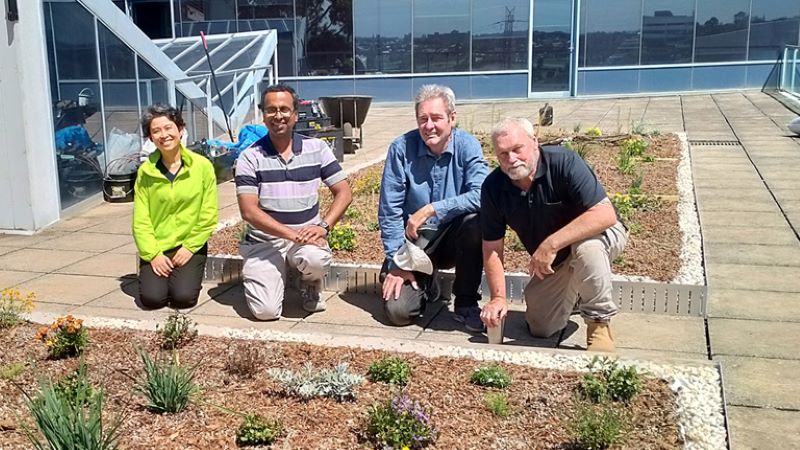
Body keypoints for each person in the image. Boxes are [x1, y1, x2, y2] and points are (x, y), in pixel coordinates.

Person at [479, 117, 628, 352]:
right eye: (503, 154)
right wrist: (498, 297)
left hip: (601, 235)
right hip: (556, 259)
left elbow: (605, 215)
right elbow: (492, 248)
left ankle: (599, 325)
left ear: (534, 142)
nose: (511, 159)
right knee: (541, 328)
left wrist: (551, 243)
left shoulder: (564, 162)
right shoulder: (493, 187)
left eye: (517, 149)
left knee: (586, 248)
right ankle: (577, 294)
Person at [235, 84, 352, 320]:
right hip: (265, 242)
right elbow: (248, 212)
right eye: (271, 110)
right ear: (263, 115)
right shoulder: (250, 157)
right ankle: (273, 273)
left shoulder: (317, 148)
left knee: (315, 258)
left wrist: (323, 227)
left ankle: (310, 282)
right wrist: (290, 235)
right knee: (265, 313)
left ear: (295, 114)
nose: (278, 115)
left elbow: (344, 193)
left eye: (284, 109)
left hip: (307, 239)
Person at [379, 84, 489, 331]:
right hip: (413, 245)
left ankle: (466, 302)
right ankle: (425, 282)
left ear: (452, 118)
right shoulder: (401, 149)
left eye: (437, 118)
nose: (429, 126)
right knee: (399, 312)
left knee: (476, 221)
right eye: (423, 119)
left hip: (454, 240)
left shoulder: (467, 146)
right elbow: (389, 211)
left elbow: (483, 195)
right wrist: (397, 264)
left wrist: (432, 209)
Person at [133, 104, 219, 309]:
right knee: (153, 300)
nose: (164, 135)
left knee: (183, 298)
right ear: (150, 138)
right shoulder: (146, 172)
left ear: (180, 130)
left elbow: (209, 214)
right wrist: (153, 255)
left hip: (189, 246)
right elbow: (141, 220)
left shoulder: (202, 166)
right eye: (156, 131)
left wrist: (189, 247)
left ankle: (184, 277)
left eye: (168, 128)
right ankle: (154, 274)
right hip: (157, 245)